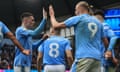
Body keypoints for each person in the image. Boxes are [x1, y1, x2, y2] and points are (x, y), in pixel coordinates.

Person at [49, 1, 113, 72]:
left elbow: (55, 25)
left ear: (79, 9)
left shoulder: (79, 18)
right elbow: (106, 43)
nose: (75, 12)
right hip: (97, 59)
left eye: (75, 10)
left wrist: (52, 15)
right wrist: (108, 52)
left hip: (83, 57)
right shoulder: (99, 23)